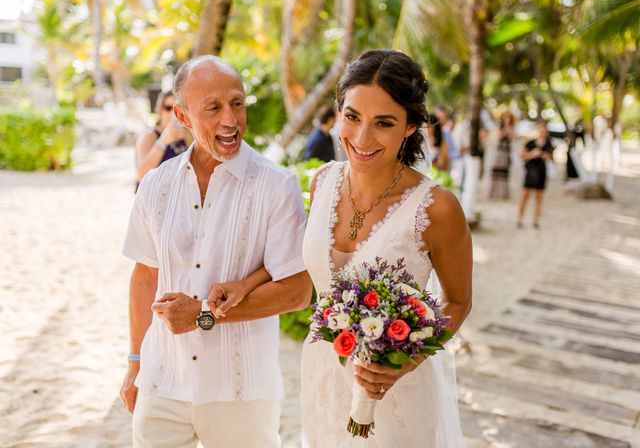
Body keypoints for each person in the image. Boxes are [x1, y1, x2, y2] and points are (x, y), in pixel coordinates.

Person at [120, 55, 312, 448]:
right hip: (162, 379)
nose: (231, 119)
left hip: (240, 390)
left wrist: (203, 316)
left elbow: (297, 292)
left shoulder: (277, 186)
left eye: (237, 103)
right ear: (183, 116)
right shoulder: (155, 184)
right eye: (213, 108)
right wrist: (135, 363)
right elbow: (145, 276)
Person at [300, 50, 472, 446]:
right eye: (352, 116)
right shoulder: (321, 182)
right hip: (322, 376)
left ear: (411, 126)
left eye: (384, 123)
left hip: (394, 390)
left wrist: (404, 361)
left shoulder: (437, 207)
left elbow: (458, 300)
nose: (361, 138)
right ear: (338, 110)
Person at [134, 90, 189, 188]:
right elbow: (141, 175)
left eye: (178, 109)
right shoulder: (150, 135)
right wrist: (163, 141)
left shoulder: (186, 133)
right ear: (160, 110)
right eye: (168, 108)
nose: (173, 114)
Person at [517, 119, 554, 228]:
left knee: (539, 196)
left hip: (541, 171)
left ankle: (535, 220)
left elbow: (550, 157)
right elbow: (522, 156)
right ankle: (520, 218)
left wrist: (542, 154)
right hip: (530, 170)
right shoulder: (530, 143)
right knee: (525, 195)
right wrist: (532, 154)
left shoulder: (548, 144)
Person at [489, 111, 516, 199]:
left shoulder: (512, 128)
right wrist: (506, 127)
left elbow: (512, 138)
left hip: (506, 152)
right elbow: (499, 137)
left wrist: (509, 127)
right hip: (499, 151)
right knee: (496, 172)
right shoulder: (500, 127)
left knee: (504, 173)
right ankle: (494, 193)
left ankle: (503, 194)